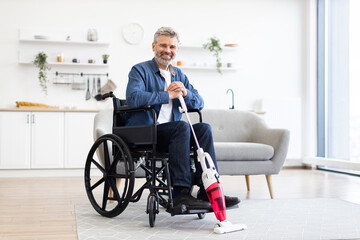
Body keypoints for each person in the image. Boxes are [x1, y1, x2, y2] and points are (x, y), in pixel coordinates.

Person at [125, 27, 240, 211]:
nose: (167, 50)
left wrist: (185, 92)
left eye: (172, 46)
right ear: (154, 46)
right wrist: (166, 95)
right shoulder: (139, 70)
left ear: (176, 50)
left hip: (175, 133)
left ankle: (208, 190)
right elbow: (133, 98)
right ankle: (180, 194)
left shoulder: (179, 74)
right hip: (148, 132)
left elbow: (199, 102)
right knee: (181, 127)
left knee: (204, 128)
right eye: (163, 45)